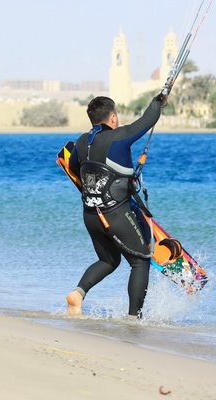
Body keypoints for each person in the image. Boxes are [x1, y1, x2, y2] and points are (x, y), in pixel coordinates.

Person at [65, 93, 165, 318]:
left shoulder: (81, 142)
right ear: (112, 118)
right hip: (115, 213)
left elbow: (73, 167)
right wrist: (158, 101)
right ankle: (133, 319)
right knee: (140, 262)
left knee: (108, 260)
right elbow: (147, 120)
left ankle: (78, 294)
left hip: (90, 214)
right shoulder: (118, 137)